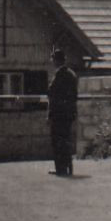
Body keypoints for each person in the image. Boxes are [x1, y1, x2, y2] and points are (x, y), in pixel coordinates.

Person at [46, 47, 78, 176]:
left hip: (59, 114)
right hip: (68, 113)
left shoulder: (58, 75)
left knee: (57, 142)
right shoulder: (71, 74)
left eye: (53, 59)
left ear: (56, 61)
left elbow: (52, 95)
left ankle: (60, 168)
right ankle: (68, 167)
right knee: (66, 140)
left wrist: (49, 115)